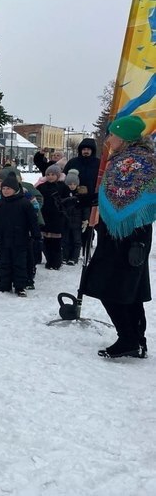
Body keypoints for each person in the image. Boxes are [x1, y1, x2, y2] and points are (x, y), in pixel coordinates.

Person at [81, 115, 156, 359]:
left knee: (110, 286)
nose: (108, 138)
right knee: (128, 289)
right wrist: (88, 200)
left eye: (112, 134)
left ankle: (128, 338)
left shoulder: (142, 162)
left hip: (131, 233)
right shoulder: (123, 159)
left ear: (123, 137)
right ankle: (135, 339)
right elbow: (115, 193)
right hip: (117, 231)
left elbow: (139, 197)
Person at [0, 173, 41, 297]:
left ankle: (20, 287)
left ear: (15, 189)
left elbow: (32, 221)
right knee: (4, 263)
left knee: (19, 264)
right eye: (3, 188)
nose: (5, 191)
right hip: (3, 240)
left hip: (20, 240)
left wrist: (36, 236)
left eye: (8, 188)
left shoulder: (25, 204)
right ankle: (4, 285)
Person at [63, 138, 100, 249]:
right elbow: (65, 177)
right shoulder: (73, 162)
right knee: (74, 221)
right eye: (84, 149)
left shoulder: (97, 163)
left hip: (91, 197)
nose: (86, 151)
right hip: (74, 196)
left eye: (88, 149)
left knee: (88, 221)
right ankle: (72, 245)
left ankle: (87, 242)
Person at [37, 164, 68, 270]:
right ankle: (49, 261)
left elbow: (68, 202)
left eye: (53, 174)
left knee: (56, 242)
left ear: (58, 175)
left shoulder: (63, 186)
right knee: (46, 241)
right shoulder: (41, 187)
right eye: (48, 174)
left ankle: (57, 262)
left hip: (57, 217)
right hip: (45, 216)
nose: (50, 176)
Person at [60, 169, 90, 265]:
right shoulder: (64, 193)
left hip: (77, 221)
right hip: (66, 221)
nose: (72, 186)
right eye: (70, 184)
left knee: (77, 240)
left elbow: (85, 208)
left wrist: (85, 219)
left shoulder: (81, 194)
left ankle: (74, 257)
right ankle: (65, 256)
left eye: (74, 184)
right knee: (66, 240)